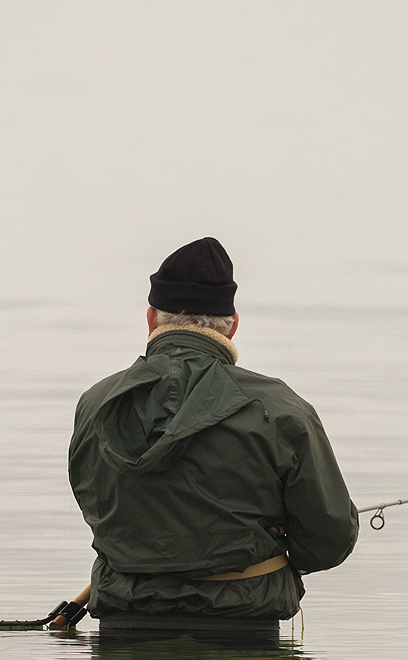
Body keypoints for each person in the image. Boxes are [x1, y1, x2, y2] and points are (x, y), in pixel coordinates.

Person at [67, 237, 358, 628]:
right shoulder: (282, 409)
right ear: (233, 325)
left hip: (125, 625)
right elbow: (328, 542)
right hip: (244, 635)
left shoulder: (96, 404)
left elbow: (96, 509)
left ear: (152, 318)